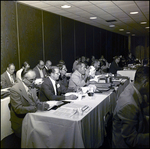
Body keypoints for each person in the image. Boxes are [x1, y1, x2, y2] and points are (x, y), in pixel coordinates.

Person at [112, 66, 149, 148]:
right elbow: (132, 140)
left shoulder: (133, 86)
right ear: (145, 83)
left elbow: (140, 116)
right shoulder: (129, 104)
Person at [9, 69, 50, 138]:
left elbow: (36, 101)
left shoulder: (32, 86)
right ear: (23, 79)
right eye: (31, 80)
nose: (34, 82)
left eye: (34, 79)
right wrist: (35, 108)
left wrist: (42, 105)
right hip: (21, 122)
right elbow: (18, 109)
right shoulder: (15, 89)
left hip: (33, 119)